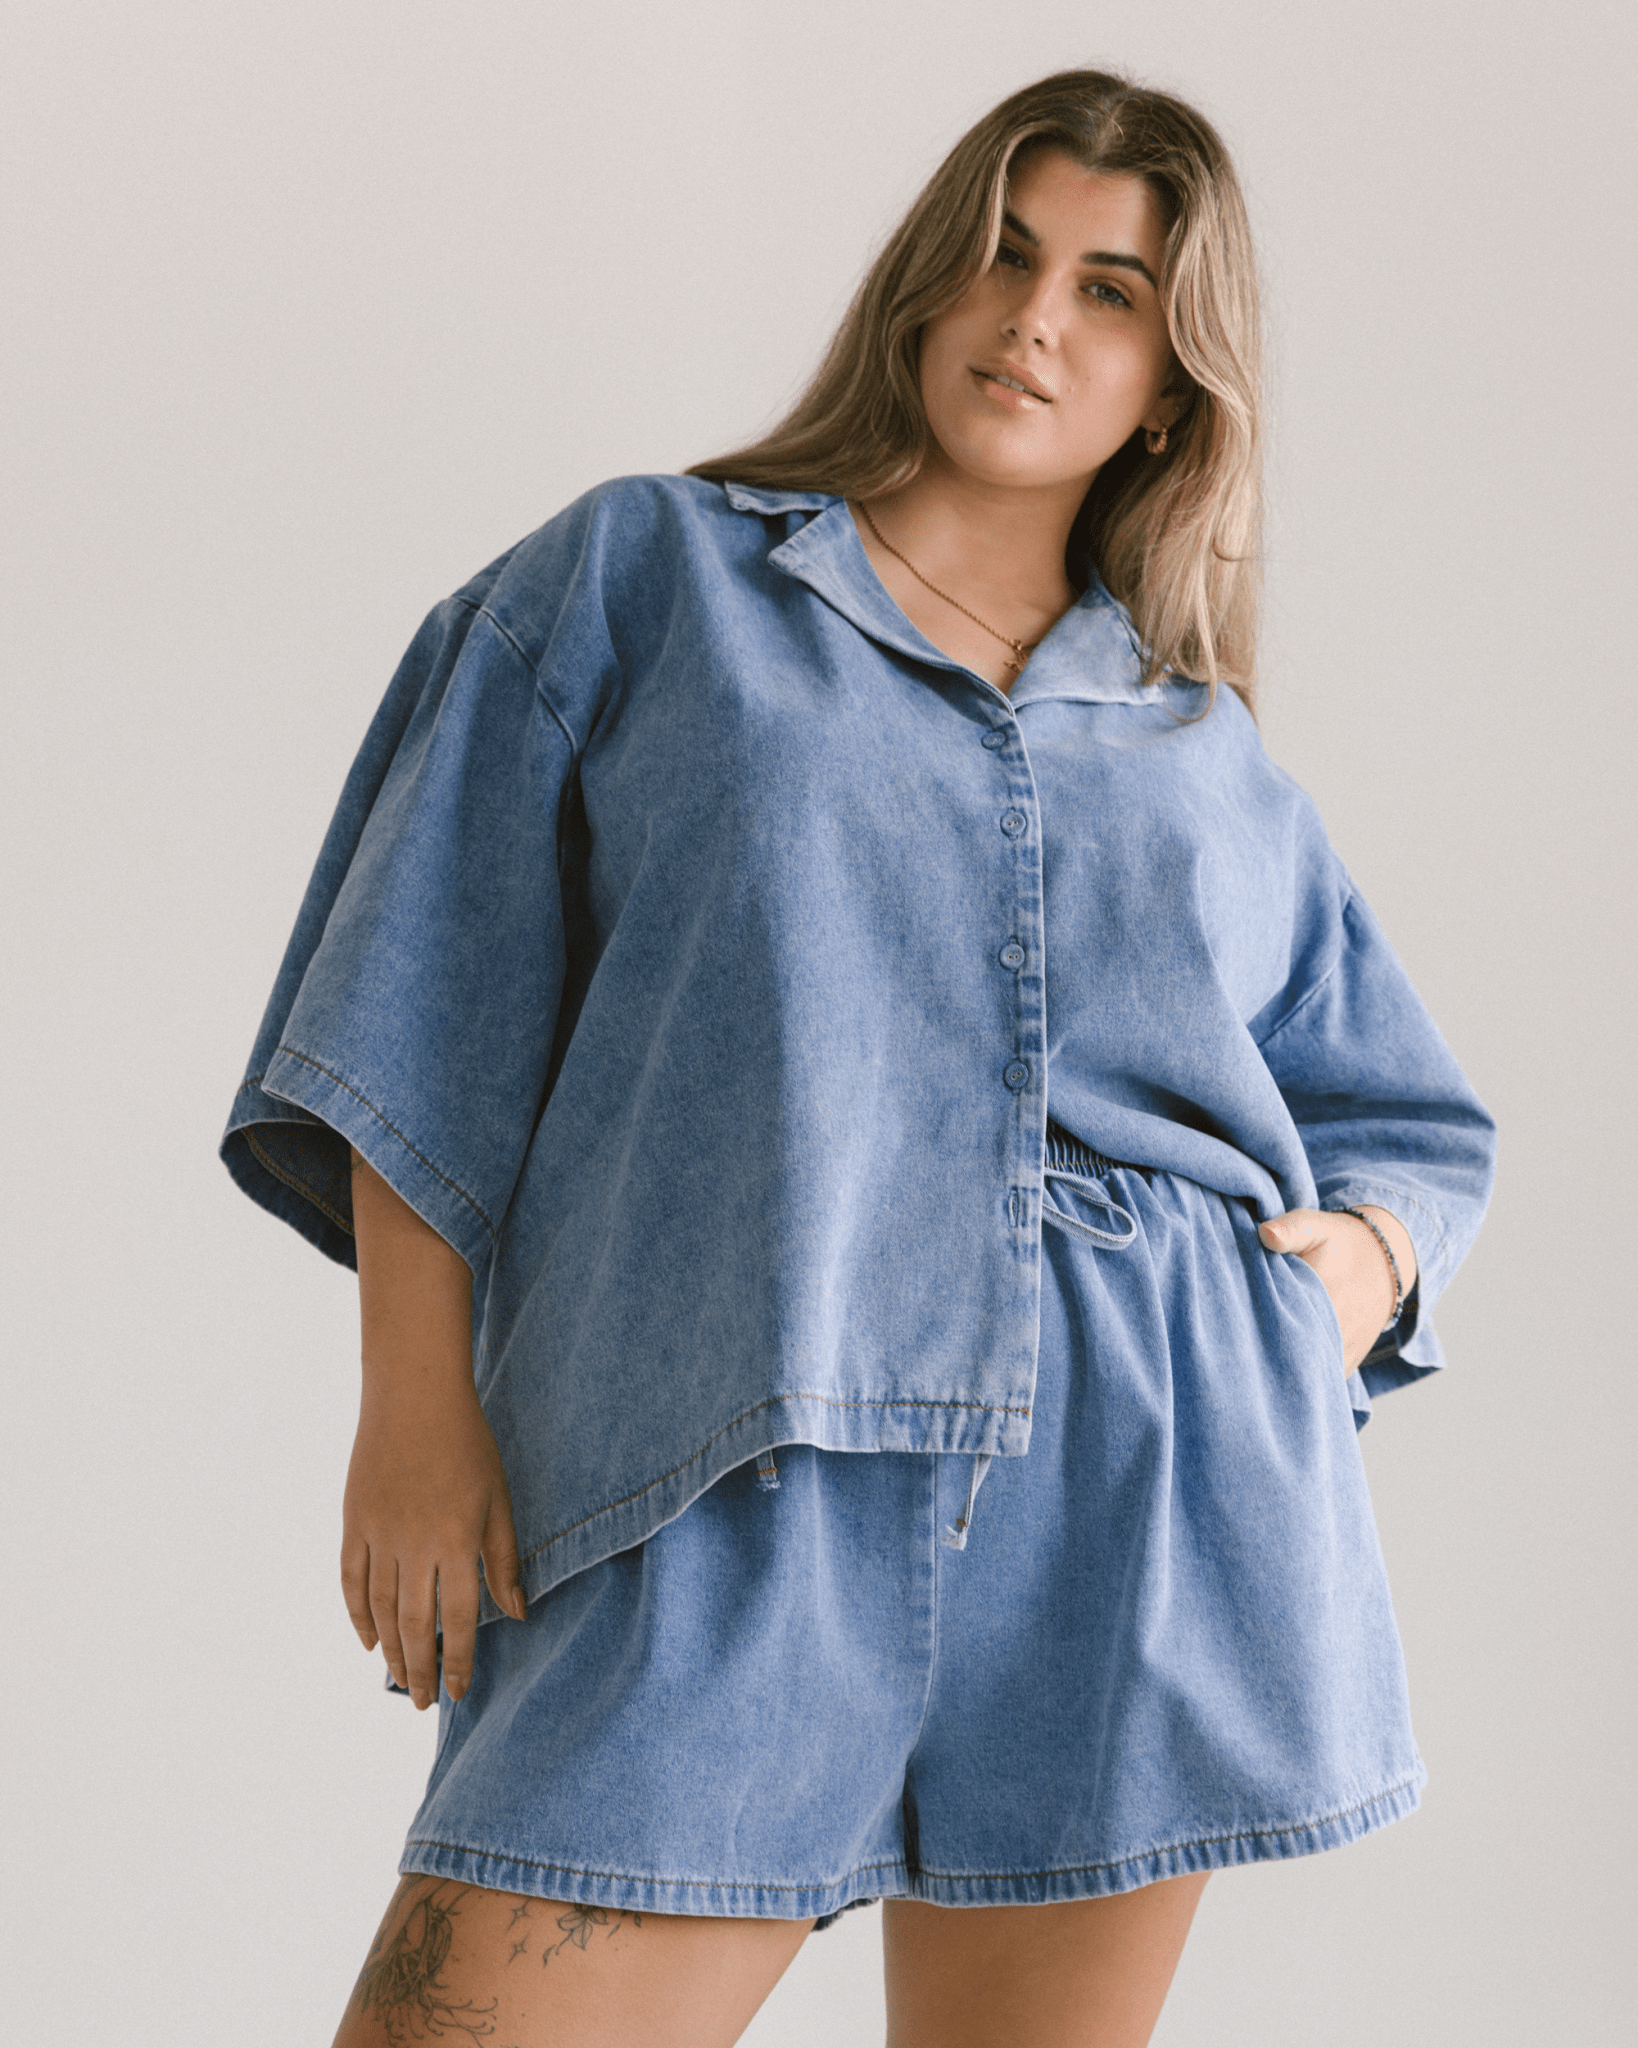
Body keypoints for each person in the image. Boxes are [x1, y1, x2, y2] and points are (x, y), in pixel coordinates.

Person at [220, 66, 1496, 2048]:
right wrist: (412, 1409)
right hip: (729, 1465)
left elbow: (1402, 1112)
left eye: (1108, 291)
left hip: (1133, 1498)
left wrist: (1365, 1267)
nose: (1035, 319)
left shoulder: (1199, 743)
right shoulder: (650, 577)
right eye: (1002, 256)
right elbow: (426, 988)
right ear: (923, 287)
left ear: (1171, 387)